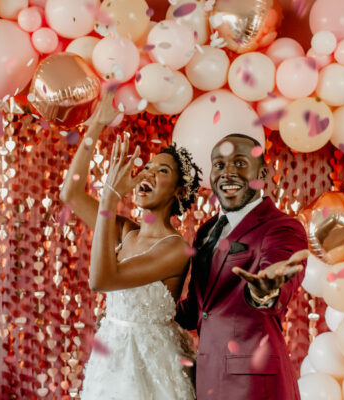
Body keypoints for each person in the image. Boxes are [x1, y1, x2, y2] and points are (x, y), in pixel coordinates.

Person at [60, 89, 200, 400]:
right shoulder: (126, 230)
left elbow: (101, 280)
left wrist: (110, 198)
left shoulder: (175, 249)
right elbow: (69, 193)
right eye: (147, 167)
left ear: (179, 192)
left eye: (162, 170)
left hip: (150, 370)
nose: (147, 173)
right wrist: (96, 124)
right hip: (110, 360)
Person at [176, 134, 310, 400]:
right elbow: (196, 310)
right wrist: (138, 316)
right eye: (219, 164)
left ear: (261, 173)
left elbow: (276, 283)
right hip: (207, 377)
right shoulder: (206, 231)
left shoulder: (281, 227)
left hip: (253, 382)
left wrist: (265, 291)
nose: (228, 173)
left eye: (239, 163)